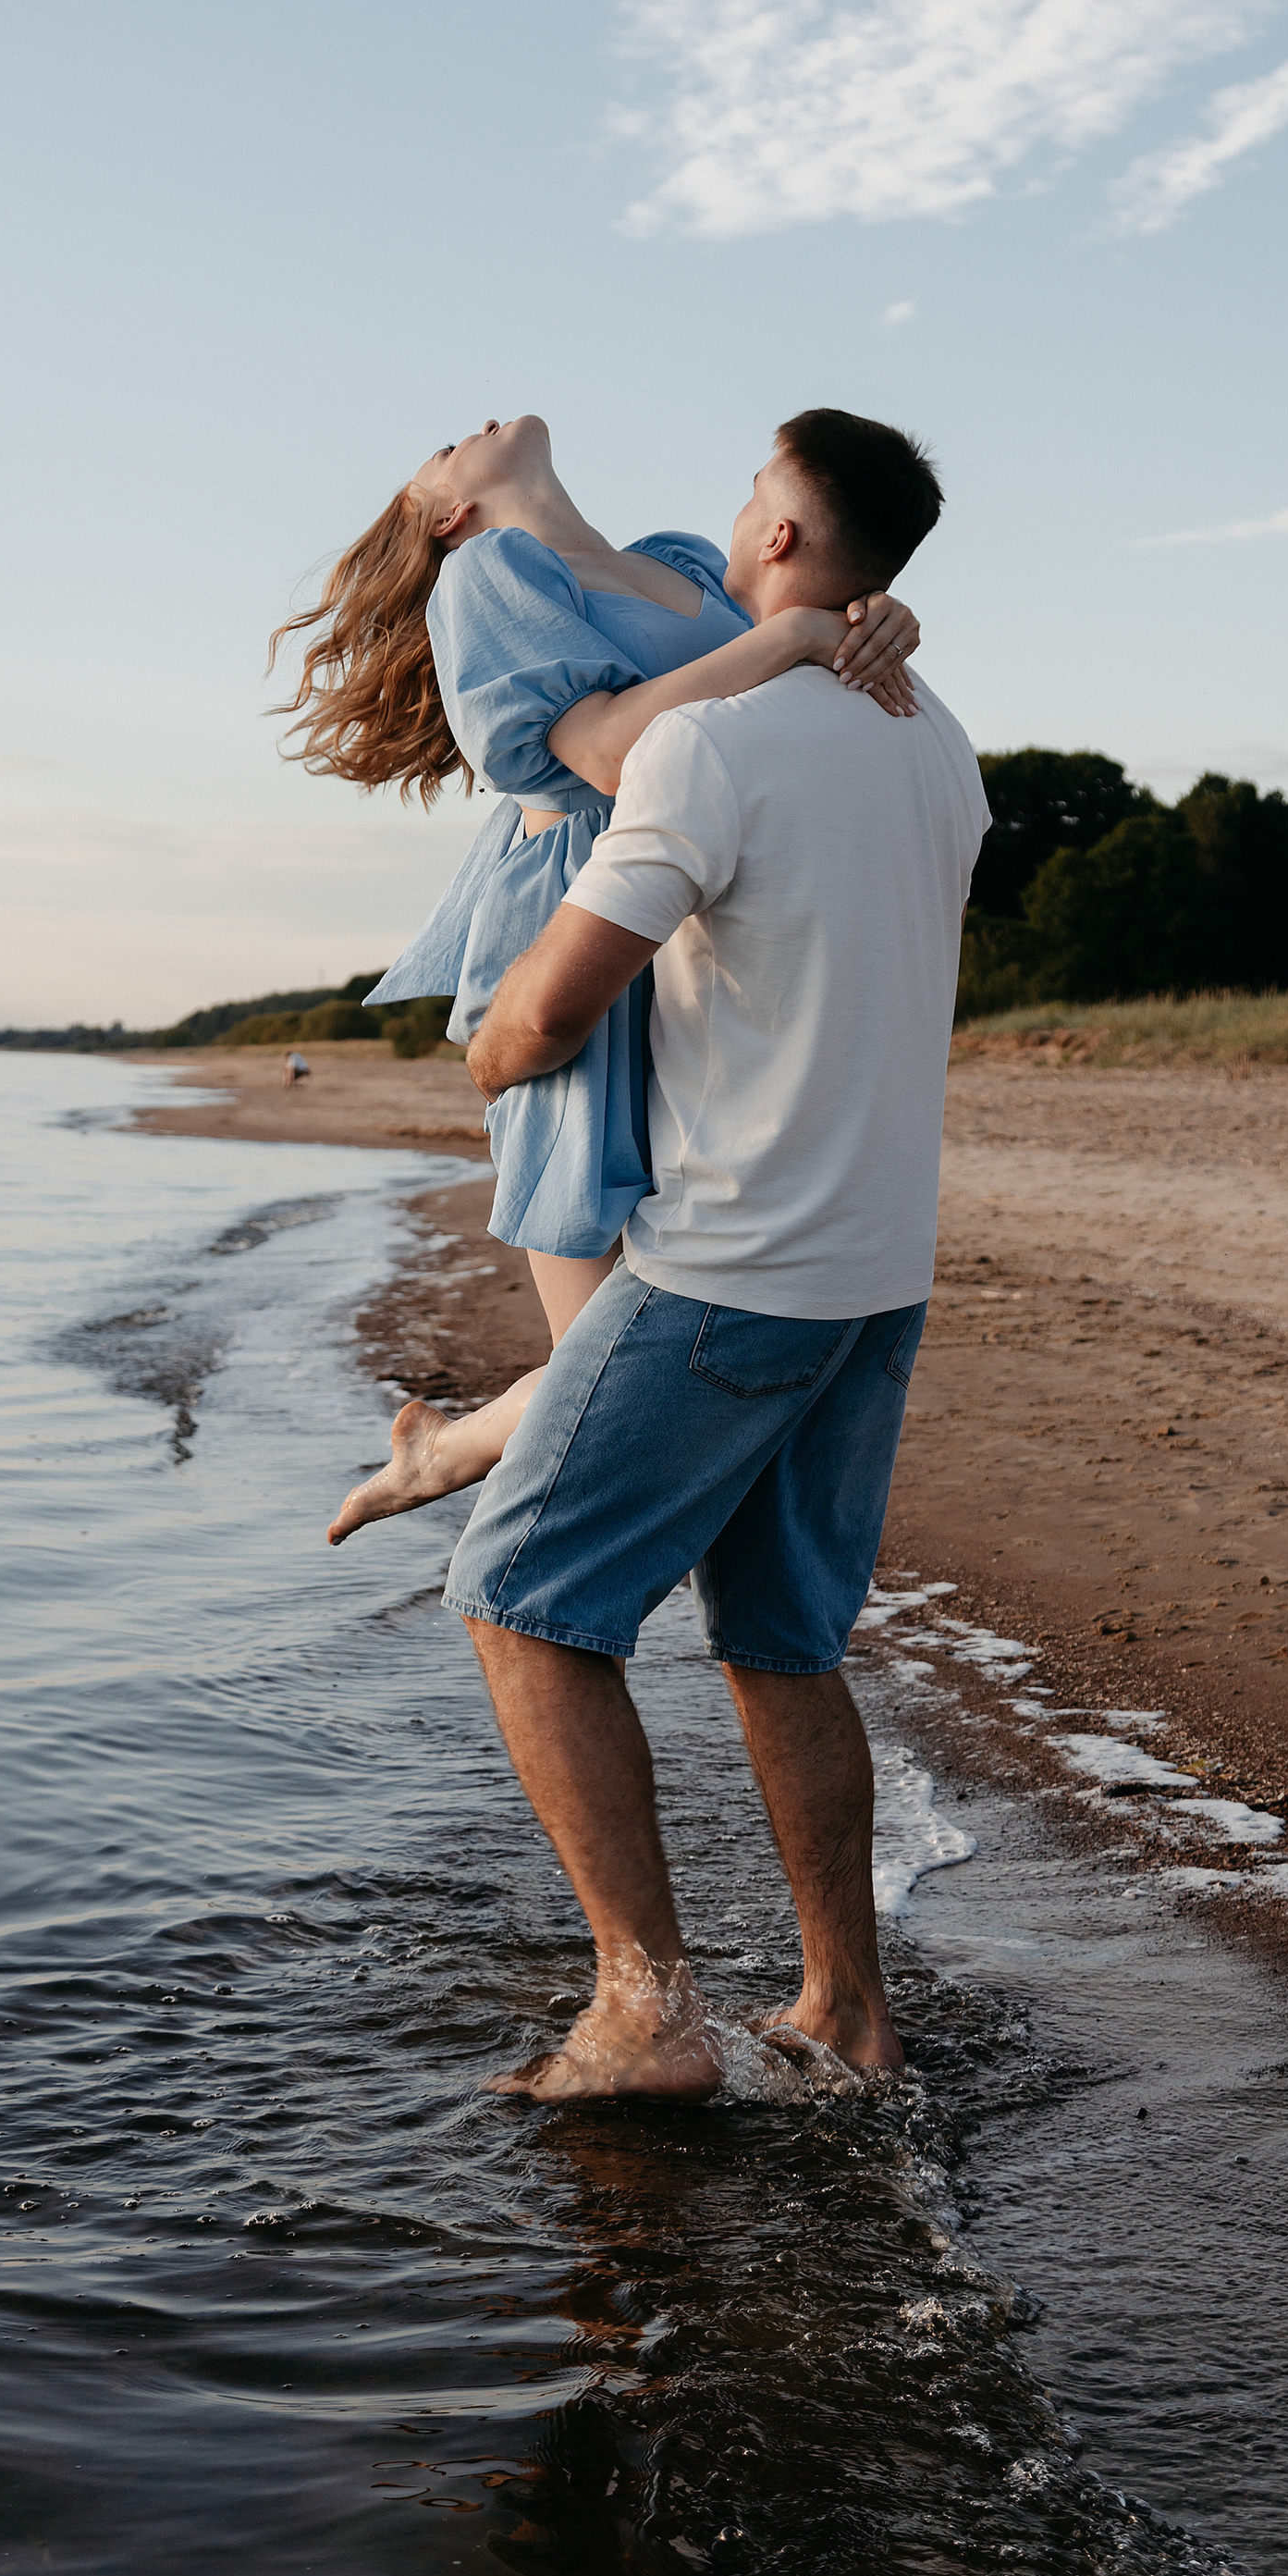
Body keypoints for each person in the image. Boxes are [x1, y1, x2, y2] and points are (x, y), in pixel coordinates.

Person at [442, 412, 987, 2101]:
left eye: (753, 502)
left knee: (520, 1600)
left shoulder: (713, 749)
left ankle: (643, 2009)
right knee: (779, 1641)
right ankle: (845, 2011)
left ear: (781, 545)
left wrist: (490, 1049)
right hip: (875, 1271)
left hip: (733, 1266)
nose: (734, 521)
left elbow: (549, 1008)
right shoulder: (940, 739)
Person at [266, 416, 921, 1535]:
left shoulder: (672, 562)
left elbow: (790, 635)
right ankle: (455, 1466)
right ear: (449, 515)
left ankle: (456, 1449)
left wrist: (873, 615)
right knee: (602, 1365)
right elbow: (610, 755)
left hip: (704, 924)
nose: (455, 433)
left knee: (670, 1319)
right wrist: (800, 638)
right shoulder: (489, 572)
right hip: (581, 922)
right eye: (435, 457)